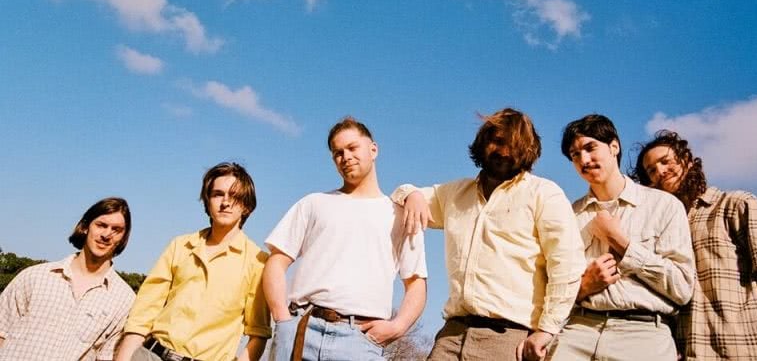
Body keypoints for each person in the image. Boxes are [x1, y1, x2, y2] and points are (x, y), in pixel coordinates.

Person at [394, 107, 585, 361]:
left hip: (508, 337)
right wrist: (410, 193)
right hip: (451, 335)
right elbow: (400, 198)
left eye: (514, 145)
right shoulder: (454, 194)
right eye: (497, 141)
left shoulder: (544, 194)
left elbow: (567, 265)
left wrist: (546, 330)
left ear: (528, 151)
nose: (504, 151)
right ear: (483, 143)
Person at [263, 116, 427, 361]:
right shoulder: (313, 203)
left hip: (359, 341)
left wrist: (397, 326)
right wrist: (282, 318)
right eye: (337, 153)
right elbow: (277, 261)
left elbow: (416, 283)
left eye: (352, 148)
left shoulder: (400, 214)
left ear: (373, 149)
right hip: (300, 329)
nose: (345, 157)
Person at [547, 115, 695, 361]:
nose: (583, 160)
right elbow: (550, 287)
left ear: (614, 147)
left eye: (590, 147)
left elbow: (682, 287)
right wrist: (582, 287)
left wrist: (623, 245)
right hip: (577, 332)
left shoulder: (665, 206)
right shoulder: (568, 216)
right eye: (574, 155)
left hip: (644, 334)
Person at [632, 129, 757, 360]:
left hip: (749, 343)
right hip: (691, 348)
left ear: (687, 160)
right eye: (651, 171)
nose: (661, 171)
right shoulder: (659, 230)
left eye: (665, 161)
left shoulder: (736, 204)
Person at [115, 162, 271, 361]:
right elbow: (143, 313)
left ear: (247, 206)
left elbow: (258, 333)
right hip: (151, 354)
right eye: (217, 194)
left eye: (235, 196)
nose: (226, 202)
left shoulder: (258, 262)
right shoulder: (180, 245)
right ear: (207, 201)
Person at [0, 197, 135, 361]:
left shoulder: (124, 300)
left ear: (123, 237)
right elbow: (2, 330)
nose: (107, 234)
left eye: (116, 229)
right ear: (85, 227)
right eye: (101, 225)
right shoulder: (35, 276)